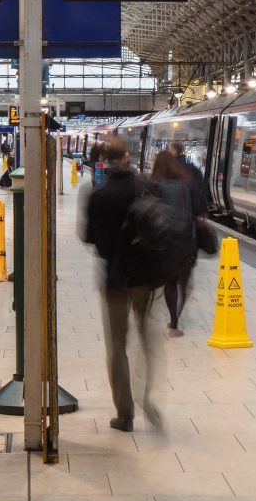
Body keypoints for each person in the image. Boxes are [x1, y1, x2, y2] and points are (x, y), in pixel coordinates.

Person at [79, 139, 161, 431]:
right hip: (144, 278)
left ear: (103, 159)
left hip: (114, 280)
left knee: (117, 346)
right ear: (128, 157)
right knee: (147, 339)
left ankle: (125, 414)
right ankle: (147, 397)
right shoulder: (147, 187)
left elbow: (87, 238)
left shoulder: (97, 195)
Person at [151, 146, 206, 333]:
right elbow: (199, 208)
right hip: (187, 240)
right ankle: (179, 315)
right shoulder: (186, 183)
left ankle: (174, 321)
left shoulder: (155, 186)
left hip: (167, 242)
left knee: (170, 282)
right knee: (184, 281)